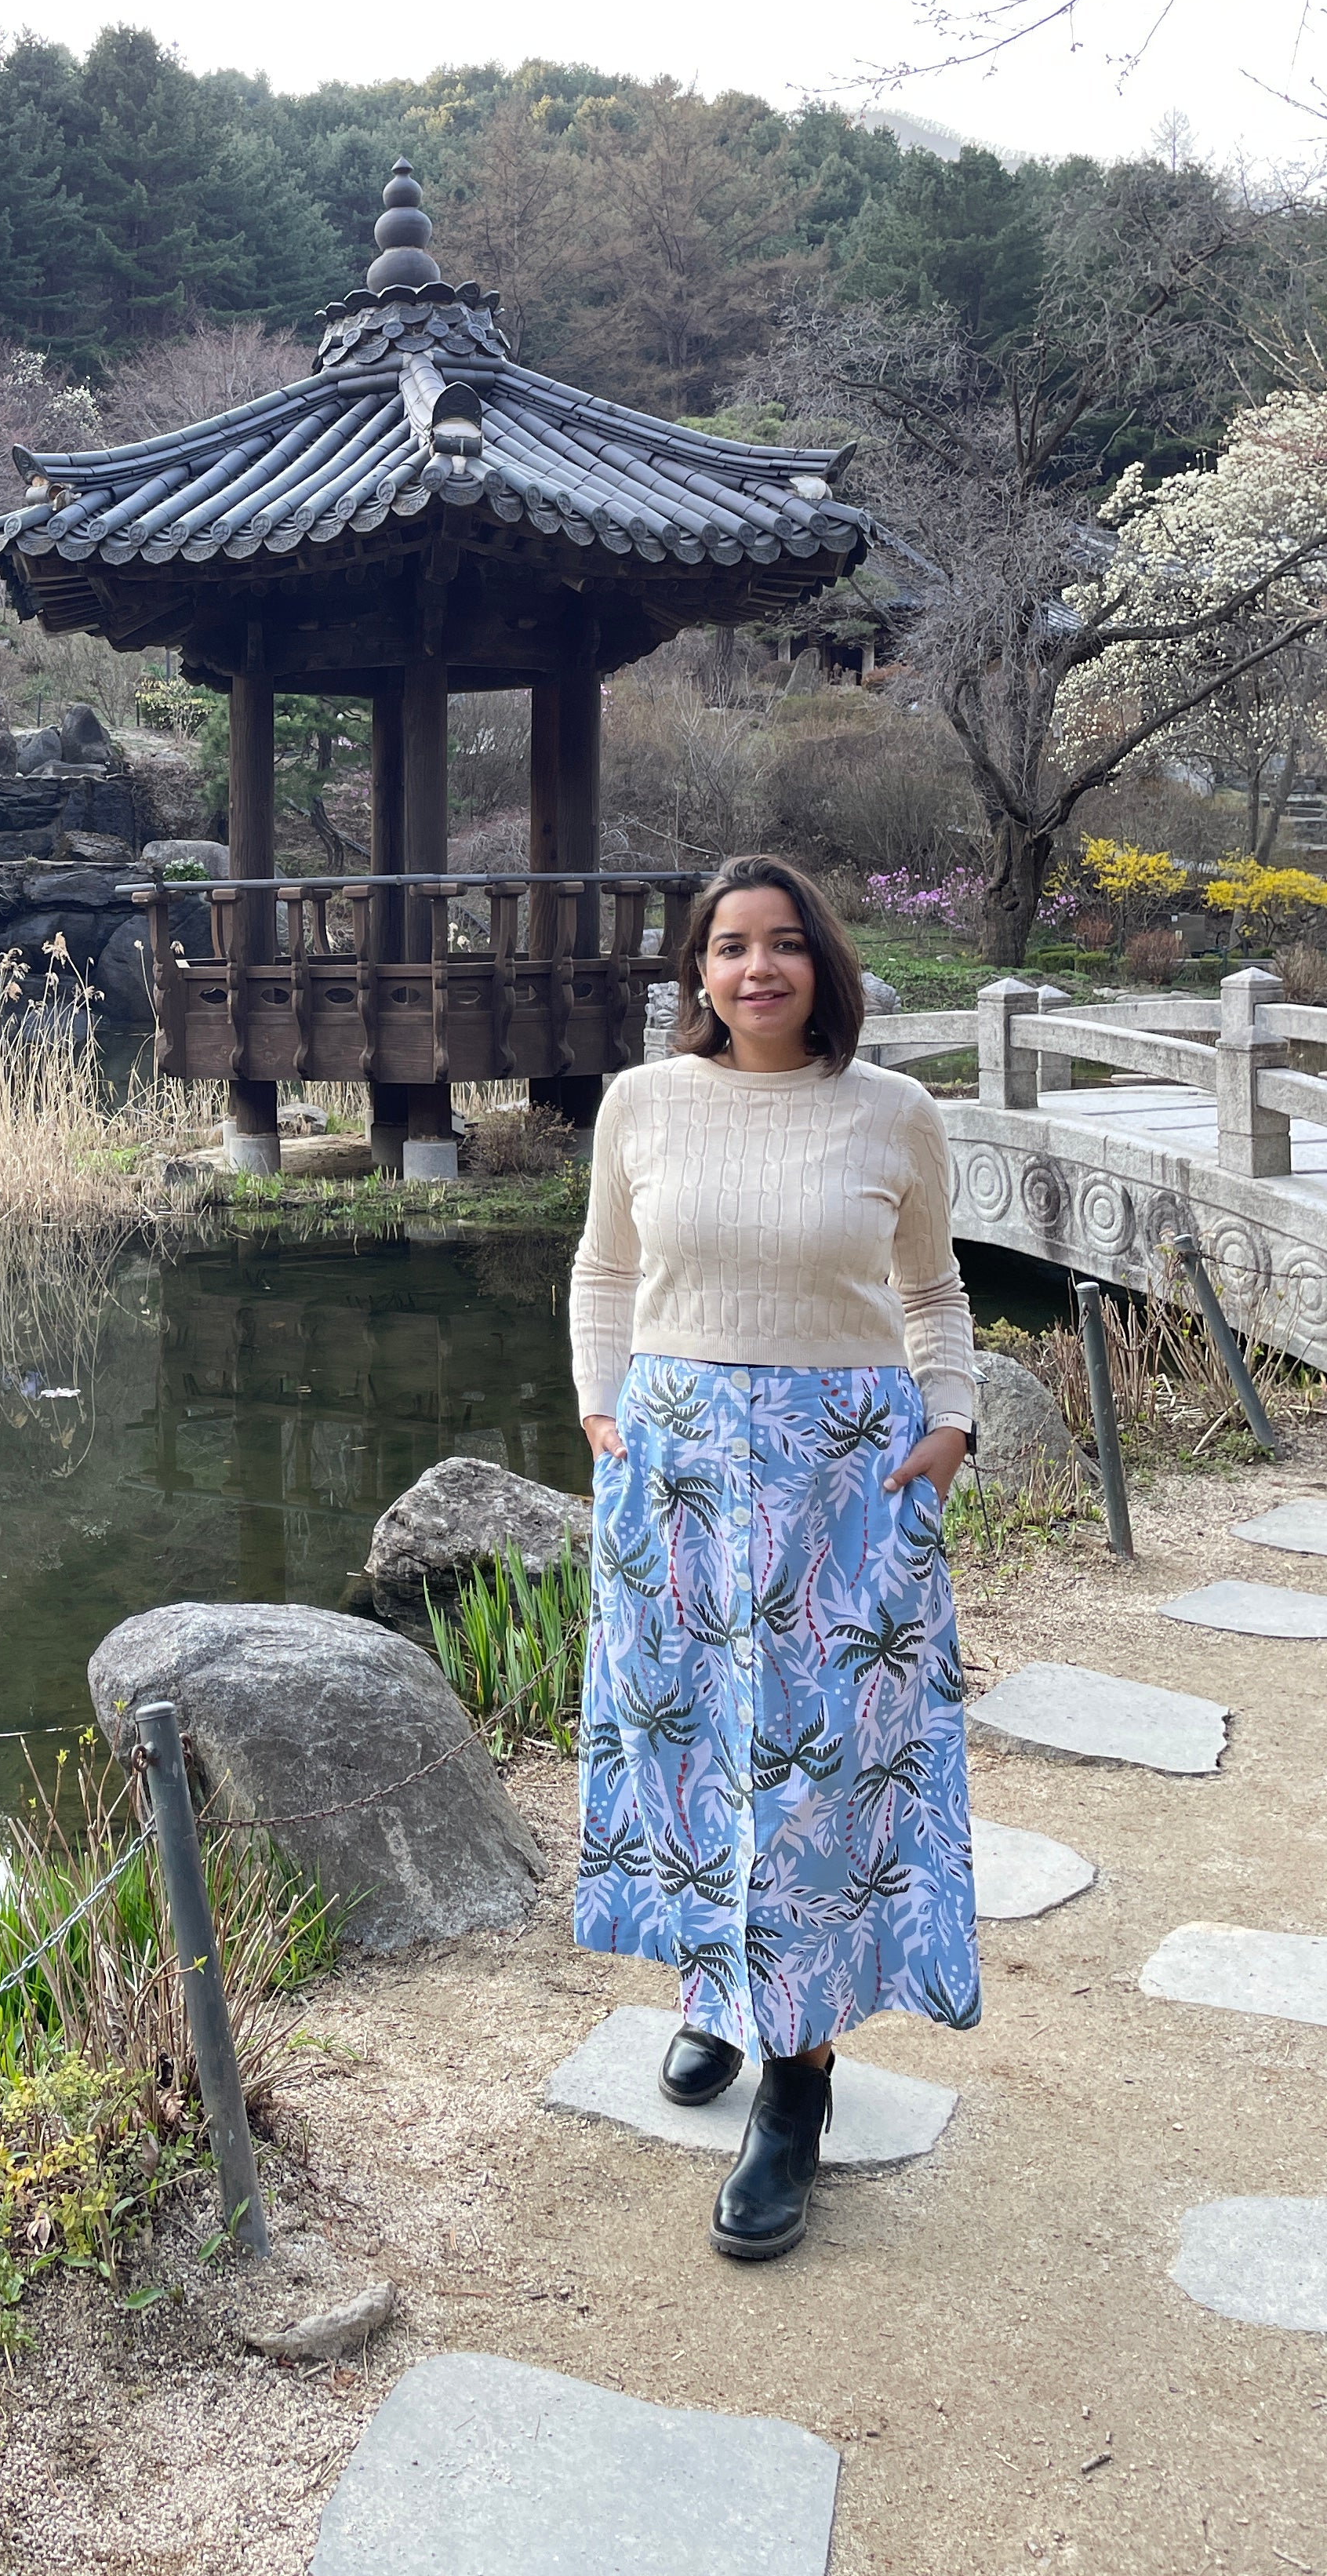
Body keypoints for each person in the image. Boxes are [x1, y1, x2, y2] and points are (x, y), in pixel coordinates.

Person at [568, 853, 979, 2262]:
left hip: (842, 1482)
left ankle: (797, 2083)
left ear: (823, 964)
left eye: (785, 943)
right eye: (731, 946)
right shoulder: (642, 1102)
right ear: (699, 970)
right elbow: (606, 1270)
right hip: (676, 1470)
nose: (758, 968)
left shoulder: (892, 1111)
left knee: (817, 1772)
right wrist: (603, 1405)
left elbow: (932, 1286)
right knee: (688, 1744)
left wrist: (954, 1420)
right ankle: (716, 1988)